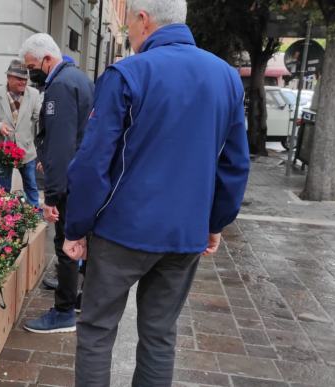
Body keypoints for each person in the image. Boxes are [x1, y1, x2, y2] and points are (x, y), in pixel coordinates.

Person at [62, 1, 251, 386]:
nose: (129, 33)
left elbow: (91, 163)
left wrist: (75, 227)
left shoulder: (128, 73)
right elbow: (234, 165)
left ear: (143, 20)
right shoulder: (227, 77)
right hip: (184, 236)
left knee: (97, 331)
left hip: (122, 232)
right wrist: (214, 223)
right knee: (160, 335)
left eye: (129, 23)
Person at [19, 33, 94, 334]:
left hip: (70, 182)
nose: (30, 72)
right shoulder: (79, 78)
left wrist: (51, 196)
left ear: (47, 60)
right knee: (82, 244)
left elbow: (63, 145)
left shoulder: (60, 87)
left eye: (32, 66)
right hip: (85, 178)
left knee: (67, 245)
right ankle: (80, 300)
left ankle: (64, 312)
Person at [0, 59, 41, 206]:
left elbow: (39, 118)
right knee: (3, 189)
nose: (23, 82)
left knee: (31, 186)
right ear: (9, 77)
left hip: (26, 150)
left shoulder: (34, 94)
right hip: (3, 151)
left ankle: (36, 216)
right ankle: (4, 216)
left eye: (25, 79)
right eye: (19, 79)